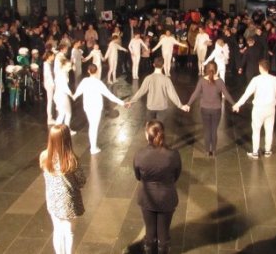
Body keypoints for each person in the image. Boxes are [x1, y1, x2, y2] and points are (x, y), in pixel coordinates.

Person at [133, 120, 181, 254]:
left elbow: (138, 176)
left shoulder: (140, 155)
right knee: (164, 233)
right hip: (167, 196)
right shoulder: (173, 154)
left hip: (147, 198)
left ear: (147, 135)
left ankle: (149, 248)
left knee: (150, 231)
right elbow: (176, 175)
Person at [233, 59, 276, 159]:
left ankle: (255, 152)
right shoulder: (275, 79)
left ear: (260, 68)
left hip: (258, 109)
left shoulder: (256, 80)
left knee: (256, 131)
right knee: (269, 130)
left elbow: (247, 94)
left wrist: (238, 105)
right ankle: (267, 151)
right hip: (270, 108)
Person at [39, 124, 86, 254]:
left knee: (57, 230)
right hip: (68, 202)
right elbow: (82, 181)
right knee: (69, 232)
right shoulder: (72, 160)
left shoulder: (44, 156)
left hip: (52, 199)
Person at [183, 62, 235, 157]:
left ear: (206, 69)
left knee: (207, 130)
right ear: (216, 69)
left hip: (205, 109)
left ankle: (207, 150)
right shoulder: (220, 81)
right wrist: (234, 104)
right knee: (214, 130)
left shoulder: (202, 80)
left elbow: (195, 93)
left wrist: (188, 104)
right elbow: (226, 94)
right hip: (216, 109)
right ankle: (214, 151)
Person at [72, 64, 125, 154]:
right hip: (96, 107)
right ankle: (93, 148)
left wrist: (72, 97)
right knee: (94, 127)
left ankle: (93, 146)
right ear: (96, 71)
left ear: (88, 71)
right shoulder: (98, 83)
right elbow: (110, 95)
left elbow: (77, 92)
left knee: (92, 126)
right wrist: (122, 103)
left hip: (87, 106)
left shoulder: (85, 81)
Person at [127, 57, 188, 122]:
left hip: (151, 107)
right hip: (162, 107)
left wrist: (131, 101)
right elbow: (172, 94)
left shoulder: (148, 78)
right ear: (163, 65)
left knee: (150, 127)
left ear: (153, 65)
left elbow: (141, 91)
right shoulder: (166, 79)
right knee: (159, 128)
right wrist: (181, 106)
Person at [54, 59, 75, 134]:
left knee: (67, 113)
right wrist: (72, 95)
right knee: (63, 114)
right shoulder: (62, 74)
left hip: (61, 95)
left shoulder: (64, 72)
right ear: (63, 65)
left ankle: (65, 129)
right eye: (69, 66)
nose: (70, 68)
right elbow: (64, 87)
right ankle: (56, 131)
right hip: (61, 96)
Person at [43, 50, 57, 125]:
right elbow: (48, 75)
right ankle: (49, 118)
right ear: (49, 56)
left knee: (51, 100)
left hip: (50, 84)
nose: (54, 57)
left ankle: (50, 117)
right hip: (49, 84)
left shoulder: (49, 64)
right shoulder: (46, 64)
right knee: (50, 101)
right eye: (53, 56)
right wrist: (53, 84)